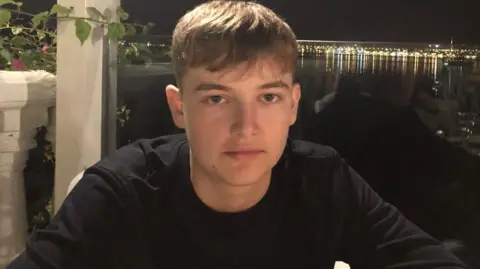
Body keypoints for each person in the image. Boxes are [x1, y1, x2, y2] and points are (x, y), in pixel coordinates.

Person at [7, 1, 469, 268]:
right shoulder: (122, 191)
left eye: (267, 98)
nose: (245, 126)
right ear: (179, 107)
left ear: (292, 105)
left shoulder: (322, 181)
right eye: (216, 98)